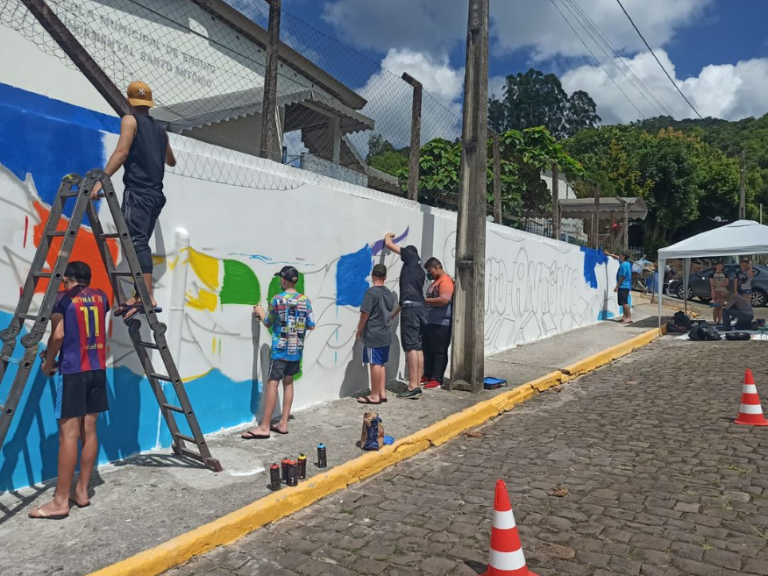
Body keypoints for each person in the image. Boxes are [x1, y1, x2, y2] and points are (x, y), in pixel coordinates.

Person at [29, 262, 110, 520]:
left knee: (68, 436)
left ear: (66, 279)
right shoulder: (101, 296)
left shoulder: (62, 298)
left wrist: (48, 362)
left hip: (73, 371)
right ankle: (82, 492)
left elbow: (58, 336)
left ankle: (60, 501)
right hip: (97, 369)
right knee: (89, 431)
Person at [92, 81, 176, 320]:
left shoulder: (130, 120)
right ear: (149, 104)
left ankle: (146, 295)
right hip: (156, 195)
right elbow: (171, 161)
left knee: (137, 242)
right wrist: (156, 147)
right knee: (139, 242)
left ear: (129, 101)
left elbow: (122, 152)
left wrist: (102, 179)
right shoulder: (160, 130)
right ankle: (141, 296)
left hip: (138, 191)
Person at [242, 266, 315, 439]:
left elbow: (267, 322)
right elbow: (311, 324)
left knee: (272, 384)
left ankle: (265, 426)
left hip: (280, 350)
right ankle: (283, 423)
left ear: (283, 280)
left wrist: (260, 311)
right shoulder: (305, 300)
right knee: (288, 383)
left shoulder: (277, 300)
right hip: (296, 350)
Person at [384, 233, 426, 400]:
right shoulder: (418, 272)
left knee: (410, 347)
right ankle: (417, 382)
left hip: (412, 310)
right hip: (419, 308)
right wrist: (392, 316)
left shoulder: (411, 256)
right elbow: (402, 301)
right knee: (418, 346)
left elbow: (389, 244)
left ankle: (412, 385)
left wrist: (388, 236)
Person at [356, 264, 397, 405]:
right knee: (381, 364)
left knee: (374, 364)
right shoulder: (389, 294)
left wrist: (359, 329)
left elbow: (365, 313)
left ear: (373, 275)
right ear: (385, 277)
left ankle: (374, 396)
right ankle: (382, 392)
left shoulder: (371, 293)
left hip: (374, 333)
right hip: (386, 333)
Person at [423, 258, 454, 390]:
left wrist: (424, 300)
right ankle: (428, 375)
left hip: (441, 323)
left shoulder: (445, 281)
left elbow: (444, 300)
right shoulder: (435, 282)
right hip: (431, 321)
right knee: (428, 350)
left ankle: (437, 379)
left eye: (430, 270)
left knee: (439, 351)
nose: (429, 273)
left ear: (437, 267)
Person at [614, 253, 633, 323]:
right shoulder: (627, 264)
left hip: (623, 286)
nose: (619, 257)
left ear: (623, 256)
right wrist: (610, 254)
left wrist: (617, 286)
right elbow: (616, 257)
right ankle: (624, 317)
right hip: (625, 286)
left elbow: (622, 276)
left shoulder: (623, 265)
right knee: (623, 302)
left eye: (620, 256)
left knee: (625, 302)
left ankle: (629, 317)